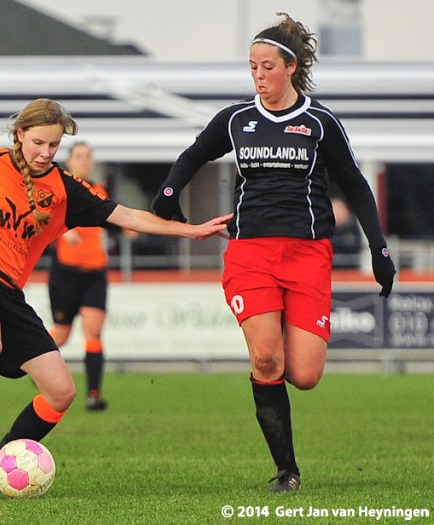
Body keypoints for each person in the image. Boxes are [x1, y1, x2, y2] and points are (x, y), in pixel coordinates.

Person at [0, 98, 232, 481]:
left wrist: (191, 230)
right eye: (39, 143)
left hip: (10, 292)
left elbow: (128, 216)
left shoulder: (64, 190)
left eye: (54, 146)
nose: (45, 153)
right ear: (20, 134)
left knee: (61, 392)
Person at [151, 14, 396, 492]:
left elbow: (357, 186)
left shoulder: (319, 122)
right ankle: (287, 471)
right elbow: (192, 156)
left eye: (267, 67)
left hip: (308, 257)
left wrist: (379, 247)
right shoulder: (238, 119)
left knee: (303, 375)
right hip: (250, 254)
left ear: (292, 66)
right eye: (252, 68)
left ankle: (282, 334)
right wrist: (168, 193)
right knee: (266, 361)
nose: (259, 77)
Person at [48, 142, 134, 411]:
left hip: (95, 272)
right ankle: (32, 360)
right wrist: (61, 232)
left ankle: (93, 395)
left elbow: (107, 218)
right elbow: (40, 222)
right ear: (69, 161)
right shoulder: (58, 189)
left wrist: (125, 229)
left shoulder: (99, 190)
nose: (84, 161)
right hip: (66, 274)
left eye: (88, 156)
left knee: (93, 332)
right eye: (79, 156)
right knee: (61, 336)